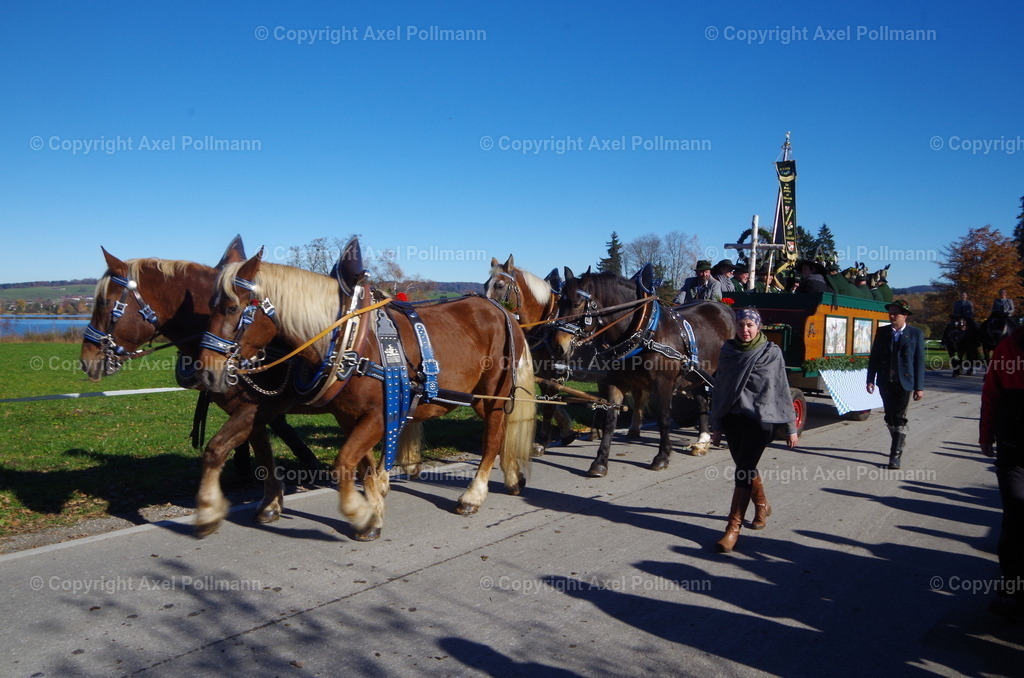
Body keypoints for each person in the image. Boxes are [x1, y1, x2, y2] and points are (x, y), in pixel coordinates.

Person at [709, 308, 798, 553]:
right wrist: (715, 425)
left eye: (750, 325)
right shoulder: (728, 351)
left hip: (761, 420)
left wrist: (790, 427)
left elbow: (781, 387)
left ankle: (732, 529)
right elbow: (721, 390)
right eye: (740, 325)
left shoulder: (771, 353)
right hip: (732, 419)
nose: (745, 330)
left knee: (743, 470)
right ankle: (761, 505)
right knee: (744, 467)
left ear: (758, 327)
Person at [979, 325, 1024, 621]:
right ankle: (1011, 589)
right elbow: (991, 392)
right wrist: (986, 435)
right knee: (1016, 515)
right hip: (1015, 446)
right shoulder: (1009, 346)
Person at [866, 299, 925, 469]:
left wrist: (919, 387)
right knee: (889, 416)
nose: (892, 315)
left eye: (896, 312)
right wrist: (870, 379)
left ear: (905, 315)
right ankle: (899, 439)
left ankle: (895, 455)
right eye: (890, 312)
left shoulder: (916, 334)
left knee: (899, 417)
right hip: (885, 380)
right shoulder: (883, 332)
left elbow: (919, 361)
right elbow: (875, 357)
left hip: (904, 382)